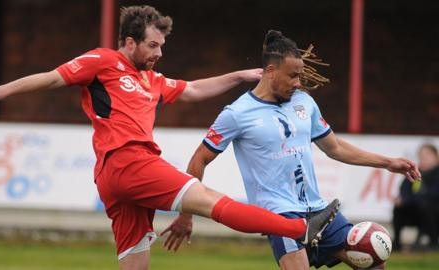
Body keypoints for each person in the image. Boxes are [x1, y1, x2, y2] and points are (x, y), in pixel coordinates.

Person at [0, 6, 340, 270]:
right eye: (152, 45)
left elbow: (194, 88)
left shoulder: (153, 80)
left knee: (135, 264)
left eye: (161, 46)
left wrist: (241, 74)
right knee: (209, 200)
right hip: (129, 161)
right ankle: (299, 227)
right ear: (129, 42)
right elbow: (52, 76)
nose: (159, 53)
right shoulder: (104, 61)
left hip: (115, 180)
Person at [168, 30, 422, 269]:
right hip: (281, 216)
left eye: (300, 75)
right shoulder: (237, 114)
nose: (298, 83)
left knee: (374, 259)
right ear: (270, 71)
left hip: (320, 211)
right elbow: (198, 160)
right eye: (292, 75)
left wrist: (387, 163)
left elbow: (335, 148)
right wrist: (186, 215)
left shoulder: (304, 102)